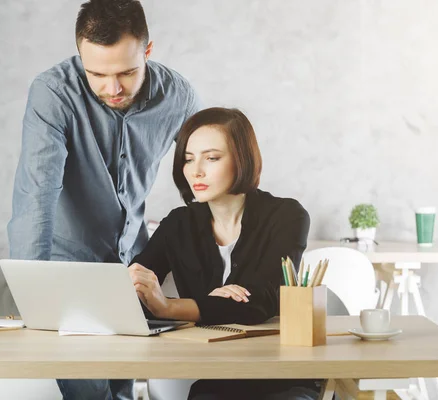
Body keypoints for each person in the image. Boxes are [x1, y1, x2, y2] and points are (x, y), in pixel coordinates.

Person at [6, 0, 201, 398]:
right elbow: (37, 194)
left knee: (123, 386)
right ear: (80, 55)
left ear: (147, 50)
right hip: (67, 273)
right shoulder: (53, 93)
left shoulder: (178, 95)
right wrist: (37, 300)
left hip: (135, 267)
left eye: (127, 72)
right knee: (89, 392)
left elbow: (207, 179)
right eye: (96, 73)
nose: (113, 88)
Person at [129, 107, 319, 400]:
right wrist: (197, 304)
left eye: (212, 158)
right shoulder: (179, 223)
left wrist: (170, 308)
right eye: (189, 159)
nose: (196, 171)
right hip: (217, 379)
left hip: (282, 378)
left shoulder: (286, 215)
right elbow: (134, 291)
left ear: (242, 159)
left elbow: (261, 301)